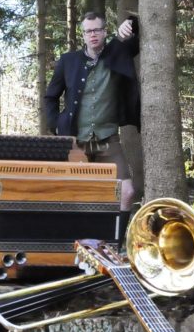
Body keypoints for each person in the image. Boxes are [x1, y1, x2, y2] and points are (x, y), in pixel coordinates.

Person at [43, 12, 140, 219]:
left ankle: (114, 246)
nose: (92, 34)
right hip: (75, 142)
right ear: (83, 35)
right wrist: (56, 124)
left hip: (108, 140)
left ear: (105, 32)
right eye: (88, 31)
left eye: (97, 30)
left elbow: (137, 40)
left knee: (127, 193)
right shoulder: (68, 61)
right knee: (74, 195)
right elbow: (50, 96)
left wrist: (131, 22)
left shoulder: (117, 53)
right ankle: (76, 245)